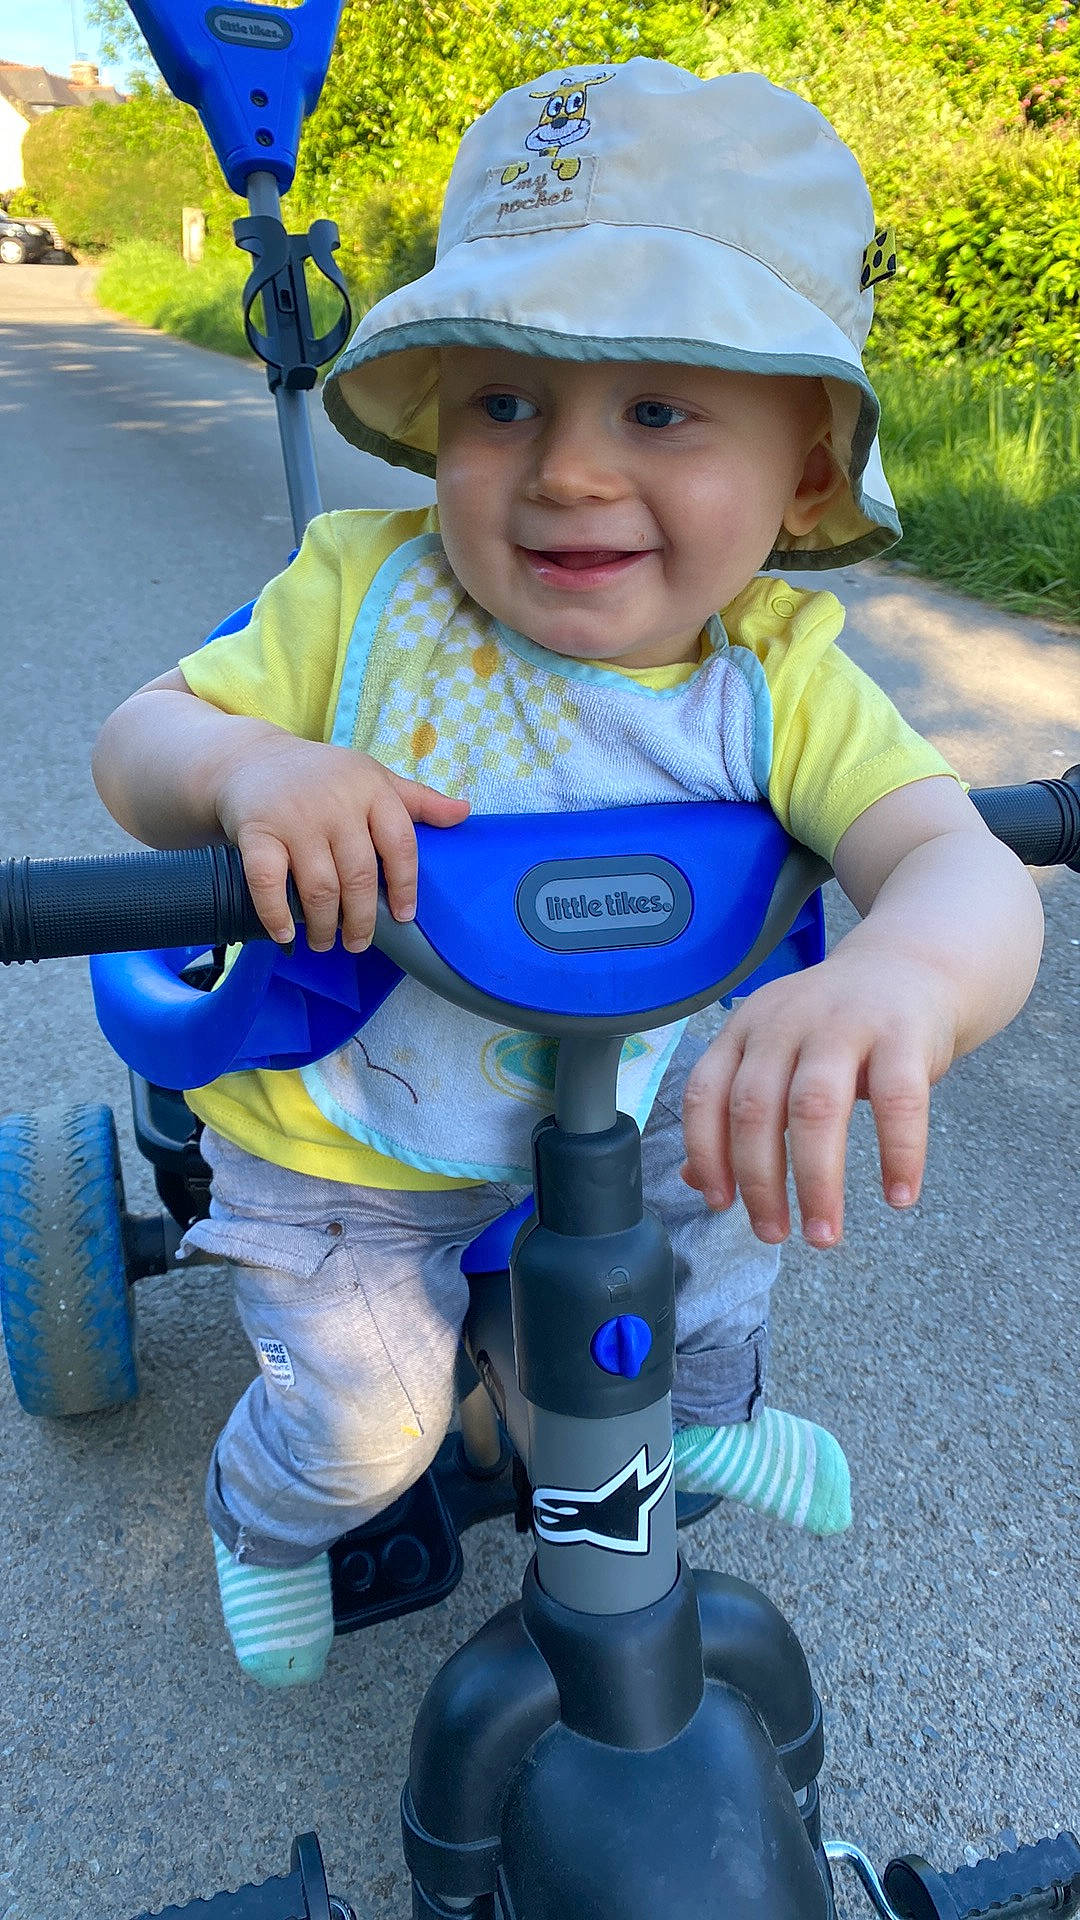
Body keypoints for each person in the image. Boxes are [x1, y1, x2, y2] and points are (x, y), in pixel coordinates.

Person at [92, 59, 1043, 1688]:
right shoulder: (360, 599)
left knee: (732, 1228)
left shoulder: (779, 679)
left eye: (659, 410)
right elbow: (137, 742)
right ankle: (269, 1507)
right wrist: (255, 766)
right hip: (357, 1137)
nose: (570, 473)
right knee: (370, 1426)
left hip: (629, 1120)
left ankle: (696, 1420)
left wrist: (905, 975)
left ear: (806, 472)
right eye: (505, 402)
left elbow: (955, 861)